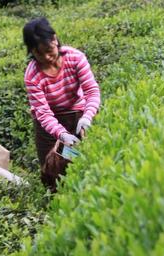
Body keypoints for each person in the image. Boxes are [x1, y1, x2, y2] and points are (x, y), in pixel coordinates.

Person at [22, 17, 100, 188]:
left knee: (83, 159)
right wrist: (62, 135)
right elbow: (43, 113)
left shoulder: (75, 58)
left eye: (49, 50)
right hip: (48, 127)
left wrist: (87, 118)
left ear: (55, 40)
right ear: (31, 51)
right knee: (53, 170)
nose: (46, 57)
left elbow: (91, 91)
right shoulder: (32, 75)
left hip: (76, 114)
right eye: (38, 53)